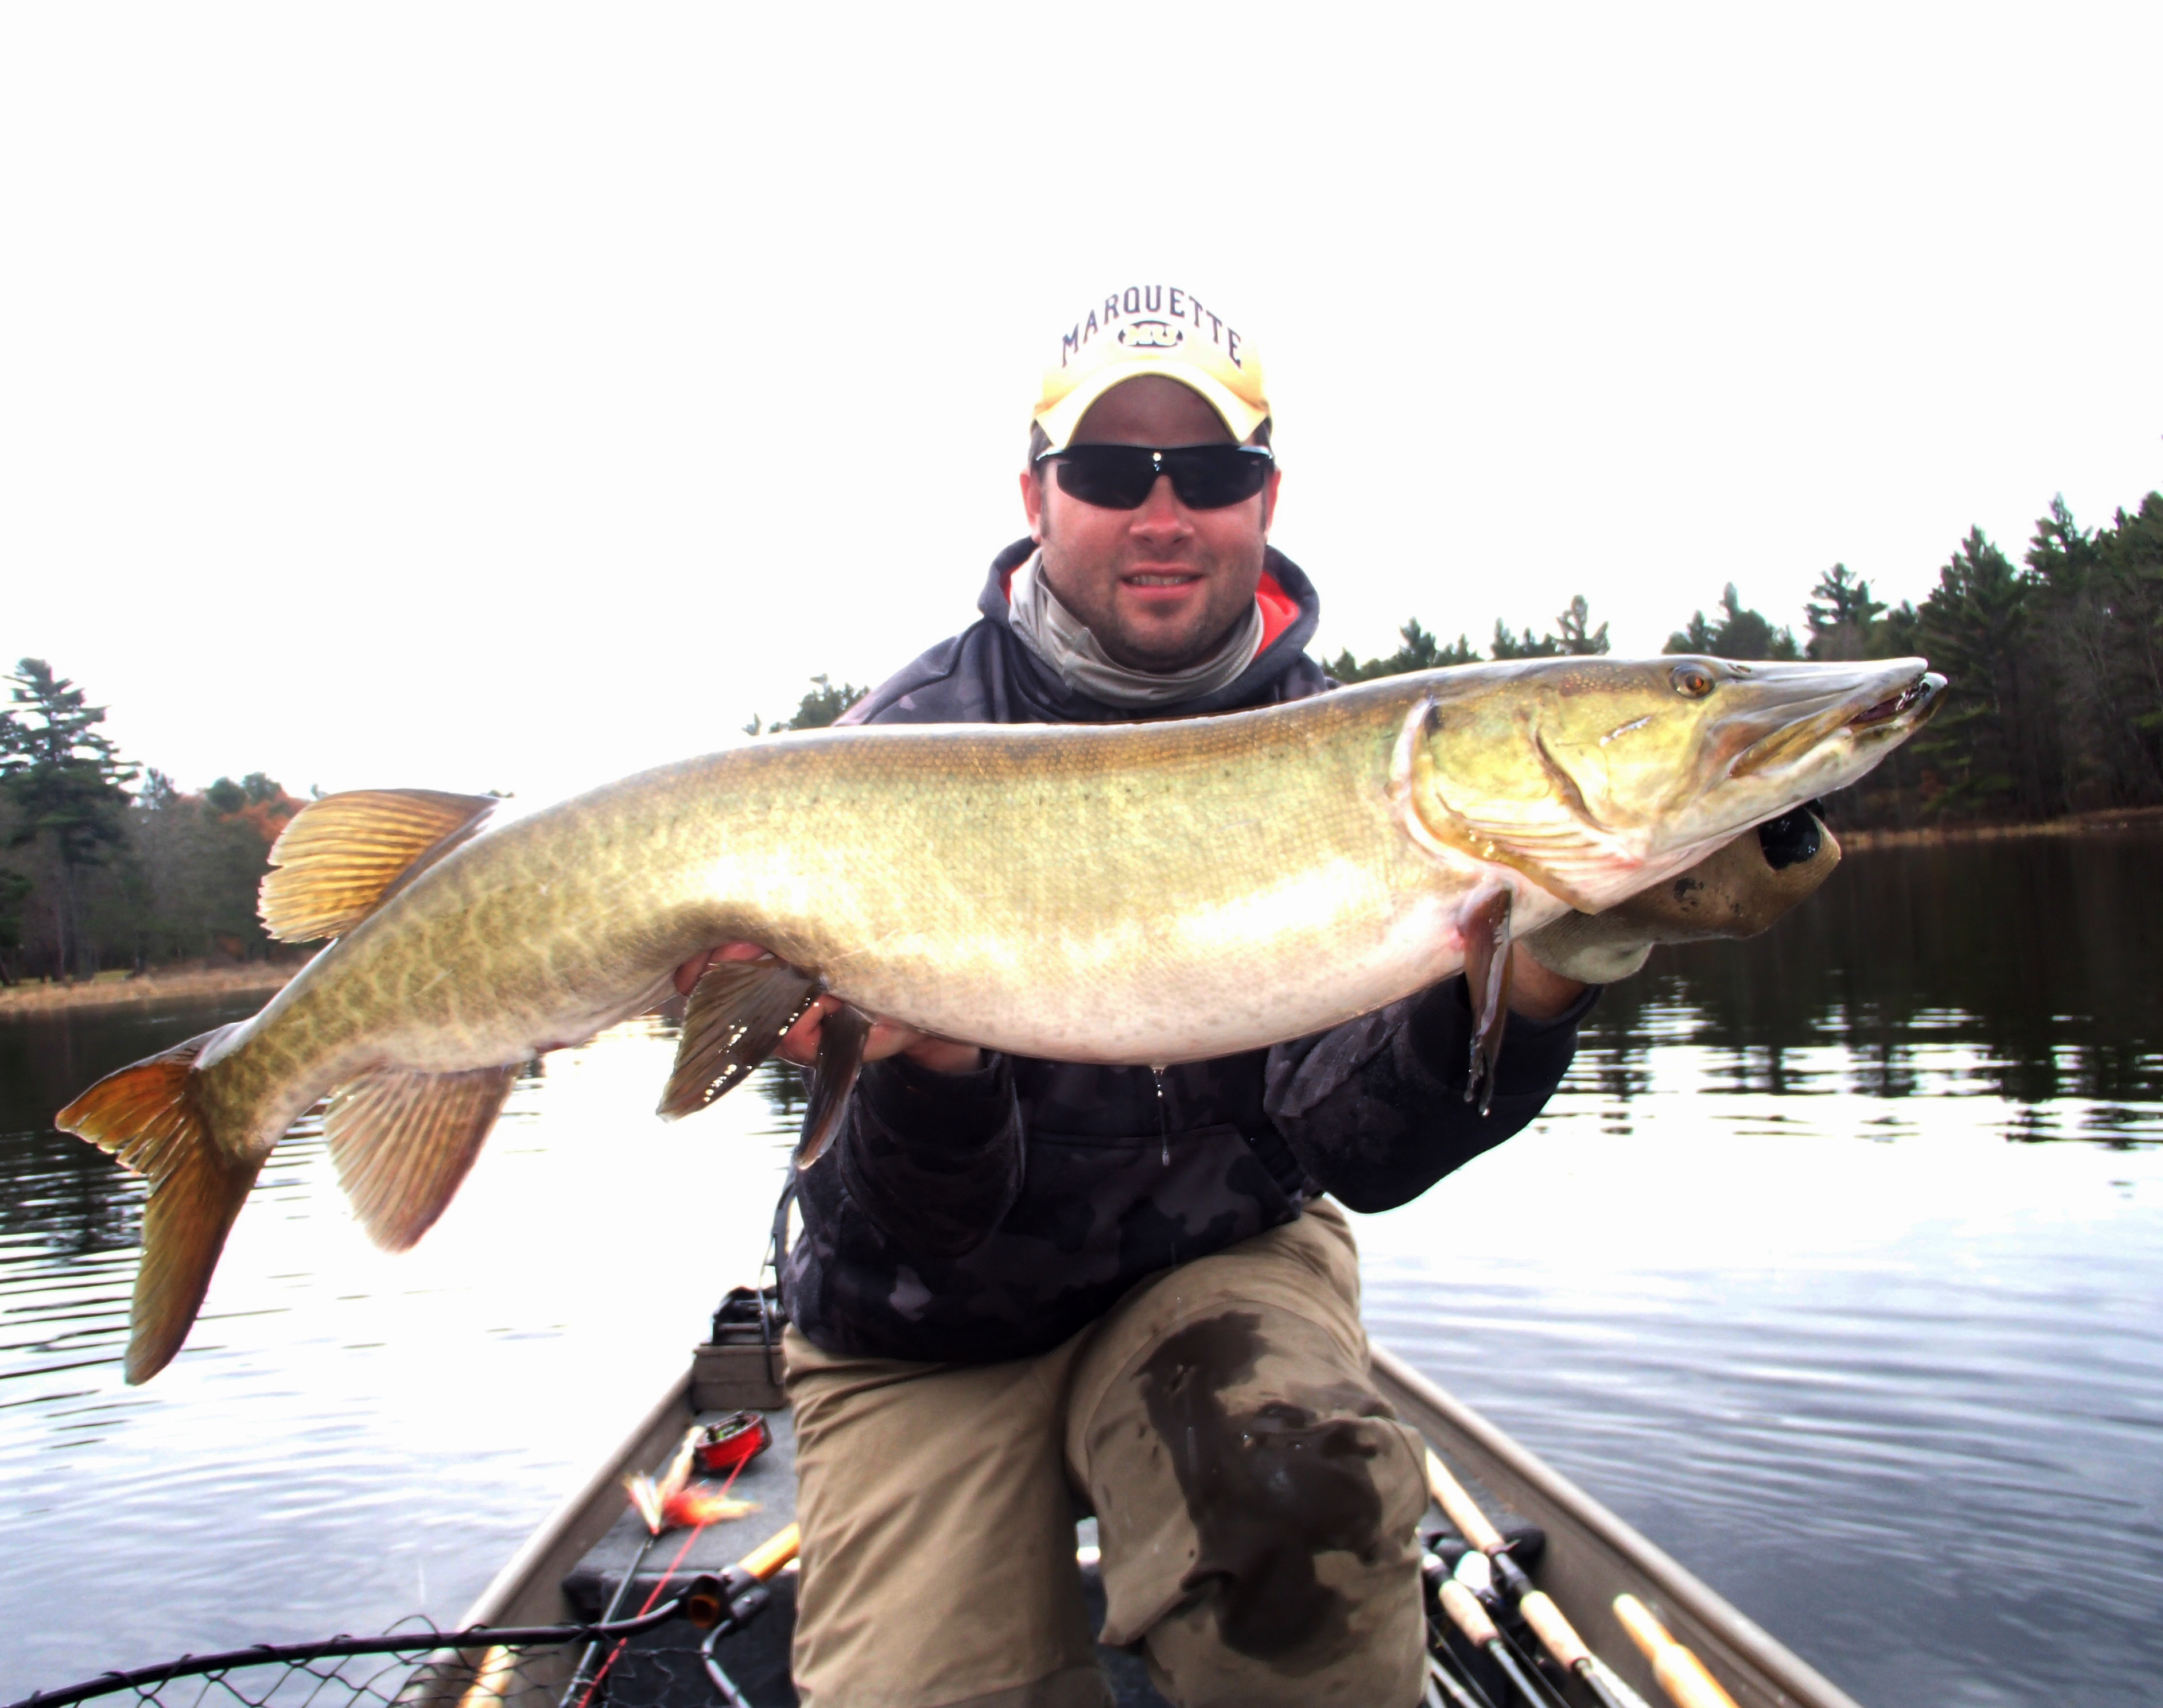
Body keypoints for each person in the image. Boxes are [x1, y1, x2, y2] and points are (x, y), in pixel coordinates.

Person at [674, 288, 1835, 1708]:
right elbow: (896, 1222)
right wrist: (932, 1070)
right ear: (1036, 497)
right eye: (1110, 472)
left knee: (1307, 1498)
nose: (1162, 510)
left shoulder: (1359, 756)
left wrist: (1541, 972)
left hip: (1210, 1267)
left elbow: (1355, 1145)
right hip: (923, 1324)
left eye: (1210, 472)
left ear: (1264, 498)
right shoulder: (901, 746)